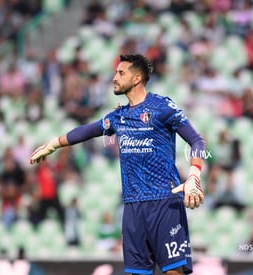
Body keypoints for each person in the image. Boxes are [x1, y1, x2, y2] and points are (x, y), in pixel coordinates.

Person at [30, 54, 206, 275]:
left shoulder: (162, 106)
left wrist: (194, 176)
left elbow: (197, 140)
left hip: (164, 201)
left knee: (173, 273)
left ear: (137, 78)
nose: (114, 77)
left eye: (121, 73)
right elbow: (88, 130)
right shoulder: (118, 116)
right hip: (132, 207)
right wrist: (54, 144)